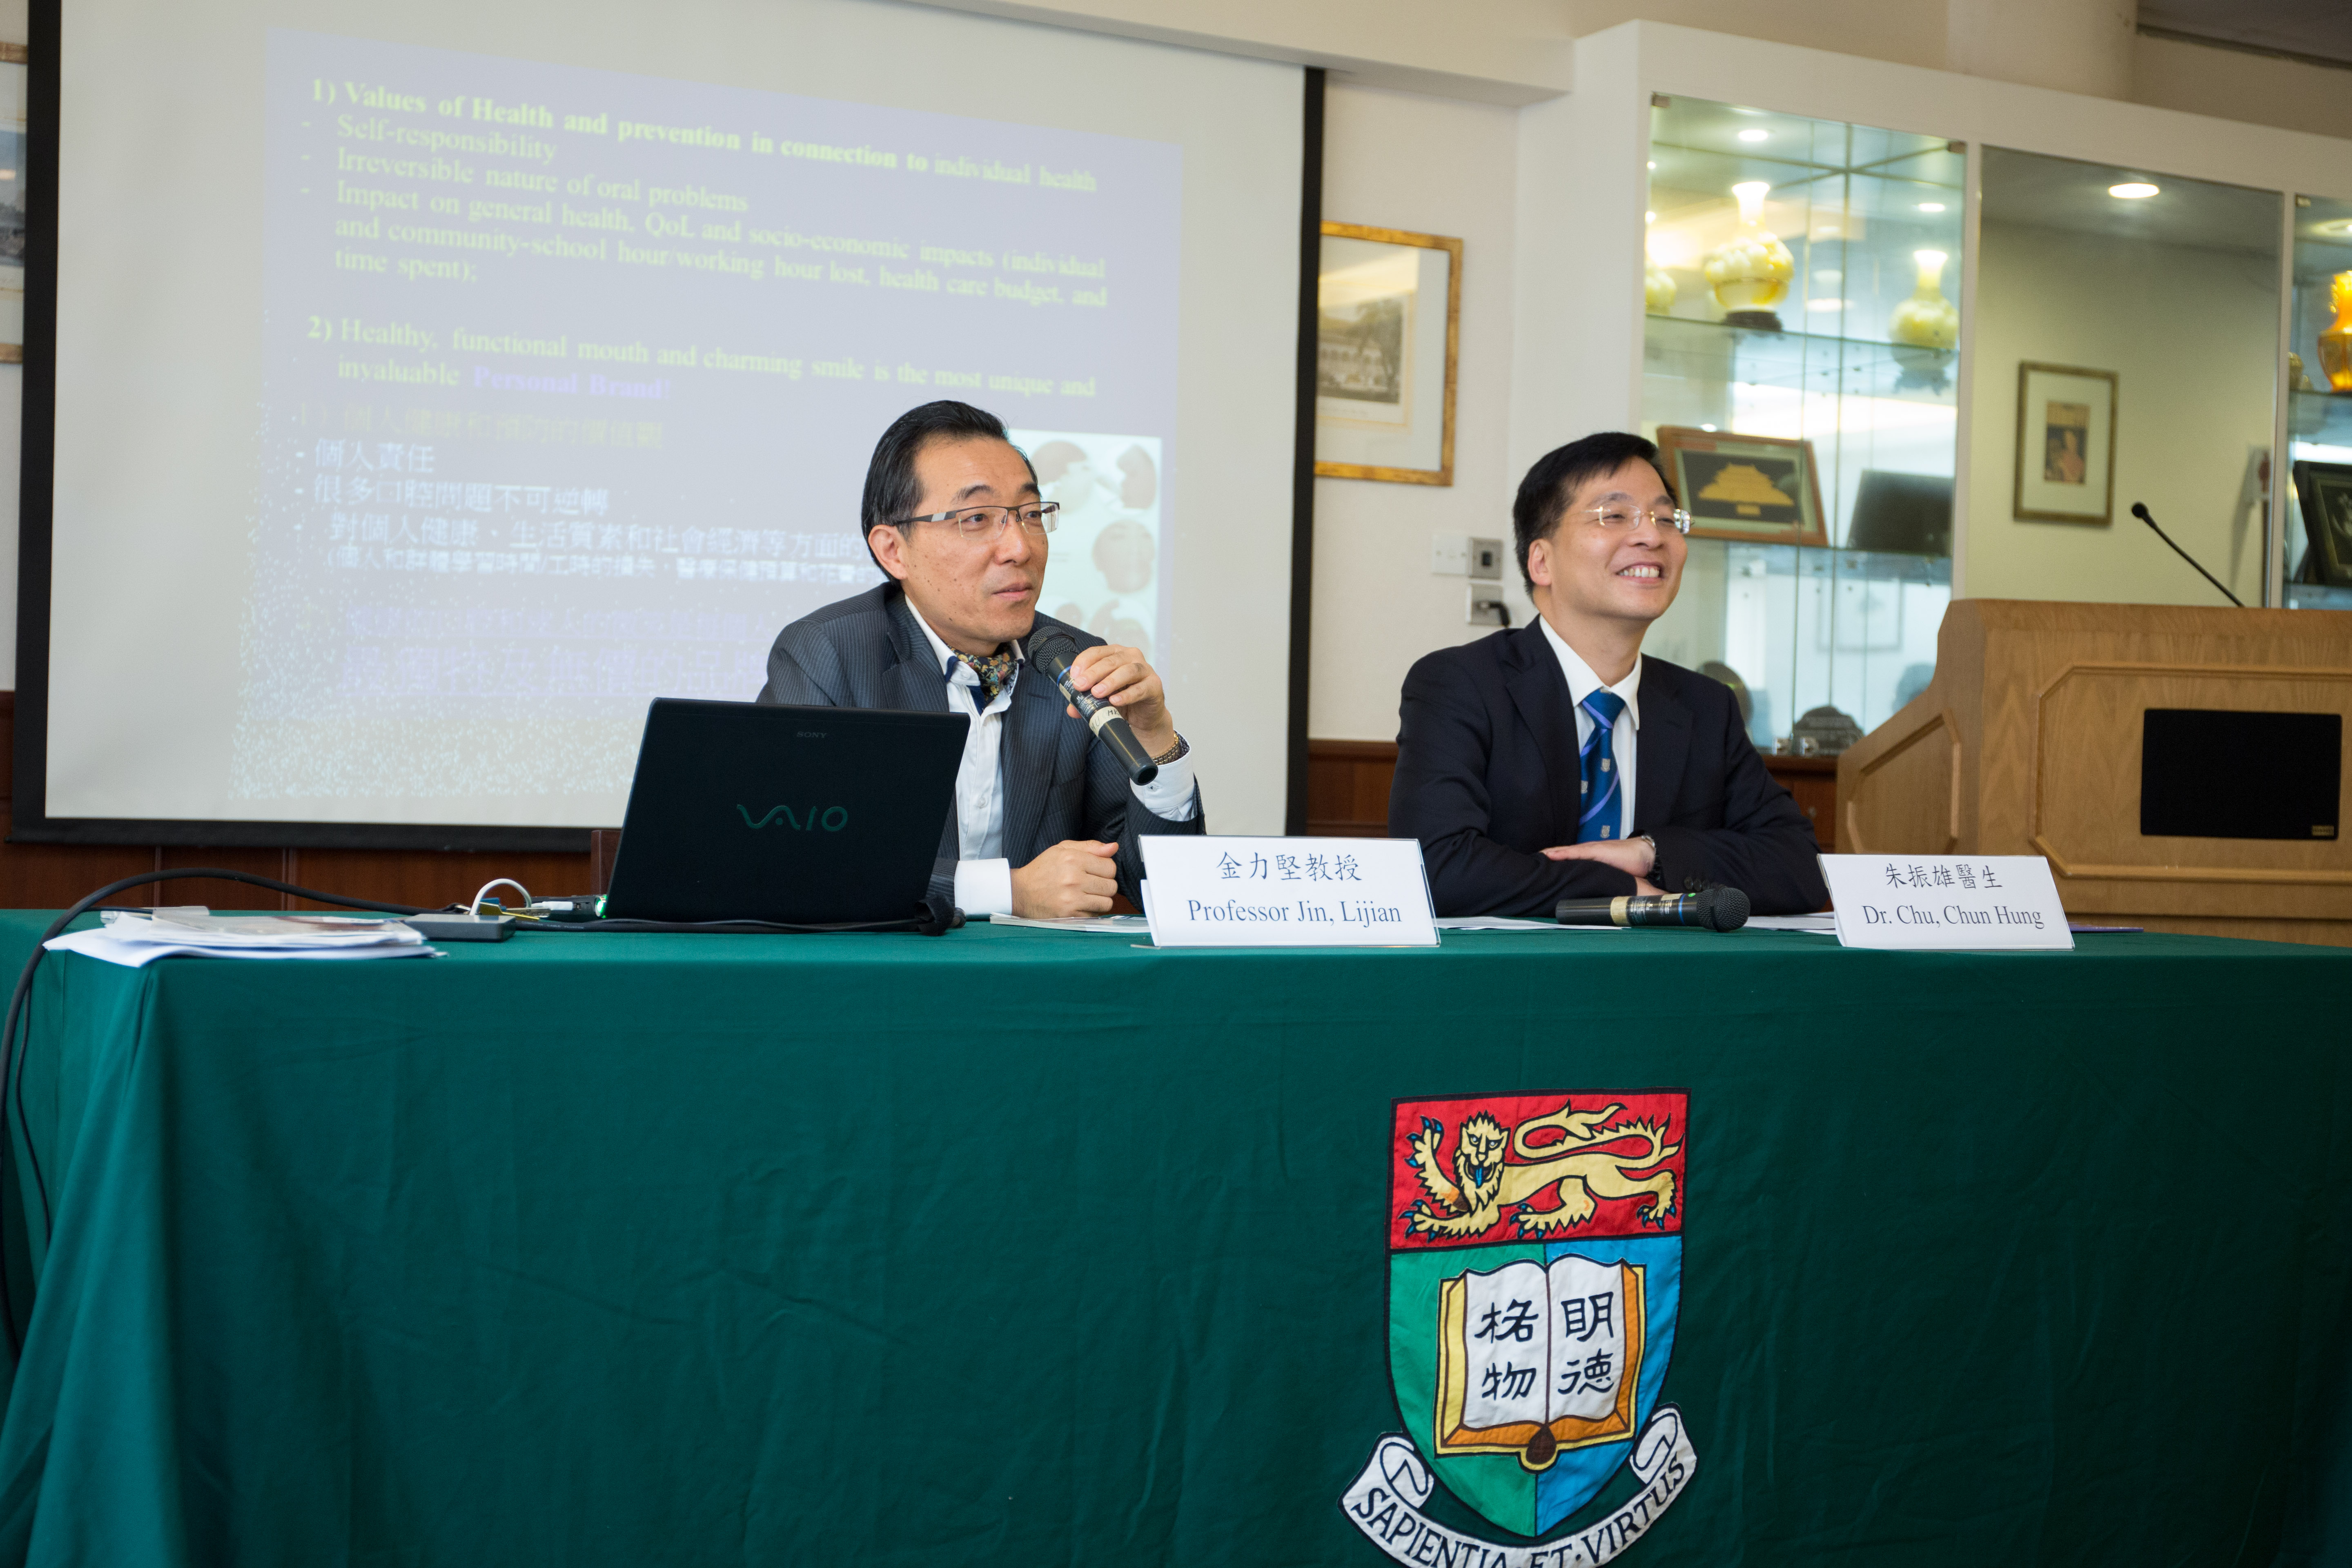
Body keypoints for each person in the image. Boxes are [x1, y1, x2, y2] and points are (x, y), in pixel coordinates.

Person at [757, 401, 1202, 917]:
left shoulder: (1072, 662)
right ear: (893, 551)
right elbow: (795, 856)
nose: (1019, 547)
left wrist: (1157, 739)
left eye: (1031, 515)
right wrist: (1007, 891)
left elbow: (1161, 887)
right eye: (976, 519)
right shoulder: (827, 653)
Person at [1388, 430, 1826, 918]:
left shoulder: (1706, 707)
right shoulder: (1460, 684)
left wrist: (1652, 853)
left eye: (1666, 518)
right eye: (1614, 516)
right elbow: (1438, 867)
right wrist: (1623, 889)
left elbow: (1801, 867)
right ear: (1542, 562)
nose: (1651, 536)